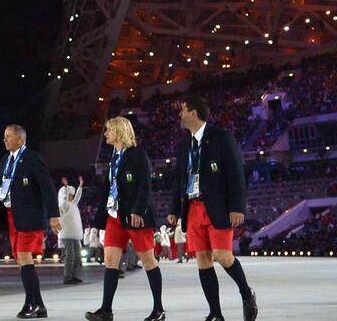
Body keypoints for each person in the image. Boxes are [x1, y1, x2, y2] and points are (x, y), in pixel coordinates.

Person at [168, 96, 257, 321]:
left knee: (223, 256)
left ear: (194, 113)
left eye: (183, 110)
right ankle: (216, 314)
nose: (180, 114)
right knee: (203, 260)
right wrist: (174, 209)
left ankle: (246, 292)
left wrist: (237, 207)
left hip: (217, 206)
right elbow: (179, 179)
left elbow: (236, 173)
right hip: (192, 207)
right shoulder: (184, 144)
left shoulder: (221, 137)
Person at [85, 117, 165, 321]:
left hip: (136, 216)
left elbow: (145, 186)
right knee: (110, 262)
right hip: (115, 216)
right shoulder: (114, 157)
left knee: (148, 261)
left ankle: (158, 309)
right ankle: (106, 310)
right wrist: (97, 223)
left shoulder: (137, 155)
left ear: (119, 132)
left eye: (108, 131)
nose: (105, 135)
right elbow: (107, 192)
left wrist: (138, 210)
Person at [0, 124, 60, 319]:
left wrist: (54, 215)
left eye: (8, 136)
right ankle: (40, 306)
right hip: (11, 216)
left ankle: (30, 304)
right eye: (4, 136)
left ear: (21, 139)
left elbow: (47, 188)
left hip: (29, 215)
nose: (5, 140)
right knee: (21, 260)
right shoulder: (4, 161)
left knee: (25, 257)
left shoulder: (33, 159)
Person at [58, 175, 84, 284]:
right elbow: (64, 201)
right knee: (70, 256)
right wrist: (65, 188)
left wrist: (80, 186)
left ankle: (73, 275)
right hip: (67, 234)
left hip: (75, 234)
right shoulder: (63, 206)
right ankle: (67, 277)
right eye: (70, 194)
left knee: (77, 256)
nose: (72, 196)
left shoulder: (73, 204)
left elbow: (78, 197)